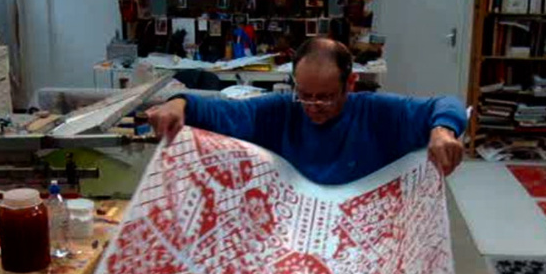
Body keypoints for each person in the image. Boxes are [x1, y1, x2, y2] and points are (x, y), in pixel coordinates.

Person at [148, 38, 467, 184]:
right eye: (305, 95)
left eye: (326, 97)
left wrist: (442, 131)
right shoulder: (281, 110)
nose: (314, 107)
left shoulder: (376, 112)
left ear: (350, 84)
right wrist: (179, 103)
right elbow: (222, 113)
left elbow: (446, 104)